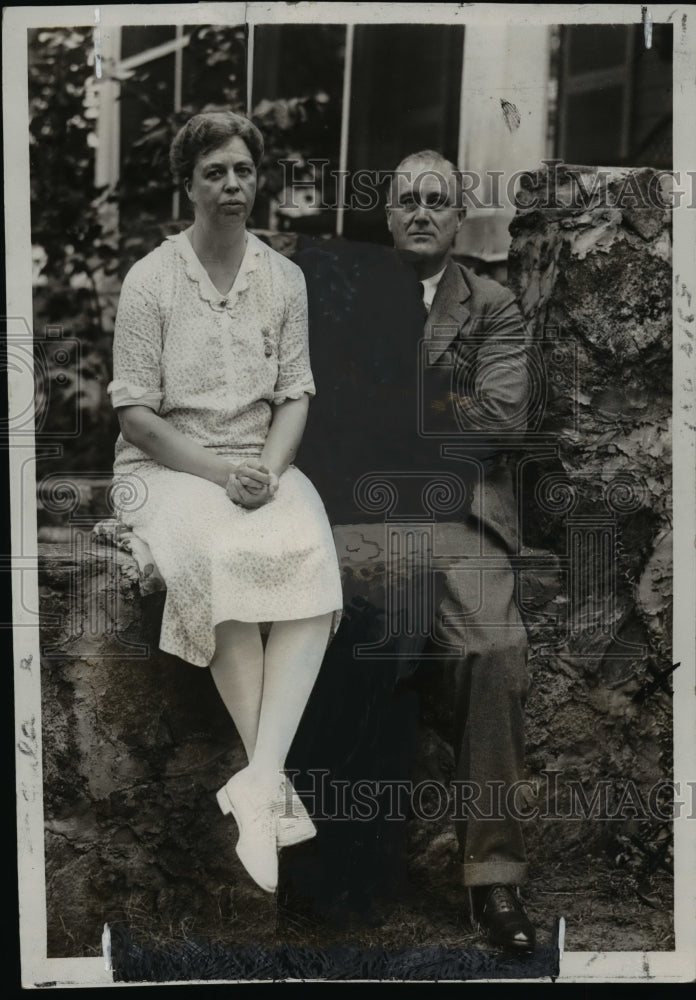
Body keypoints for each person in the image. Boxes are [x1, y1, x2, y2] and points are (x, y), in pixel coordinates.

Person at [107, 111, 343, 896]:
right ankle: (273, 792)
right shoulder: (152, 279)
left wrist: (270, 472)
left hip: (258, 465)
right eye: (216, 173)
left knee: (311, 556)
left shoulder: (282, 277)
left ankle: (258, 782)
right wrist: (220, 475)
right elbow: (136, 413)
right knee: (223, 555)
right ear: (189, 184)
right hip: (167, 466)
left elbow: (297, 394)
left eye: (243, 170)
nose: (234, 185)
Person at [383, 150, 536, 953]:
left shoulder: (495, 306)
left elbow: (502, 420)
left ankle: (496, 882)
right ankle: (332, 865)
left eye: (437, 200)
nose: (421, 211)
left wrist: (396, 410)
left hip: (459, 515)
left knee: (498, 648)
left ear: (458, 218)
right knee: (310, 620)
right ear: (387, 214)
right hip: (356, 512)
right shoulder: (346, 299)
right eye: (407, 199)